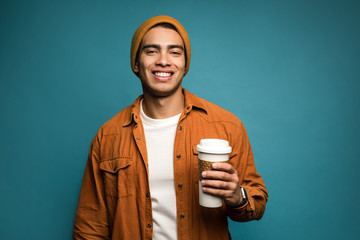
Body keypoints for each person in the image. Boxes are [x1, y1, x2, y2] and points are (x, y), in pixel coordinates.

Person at [73, 15, 268, 240]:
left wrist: (237, 196)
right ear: (136, 64)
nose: (164, 61)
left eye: (174, 52)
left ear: (185, 65)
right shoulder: (108, 136)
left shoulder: (226, 126)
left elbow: (257, 201)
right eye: (151, 51)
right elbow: (90, 226)